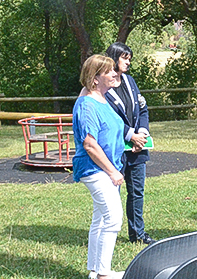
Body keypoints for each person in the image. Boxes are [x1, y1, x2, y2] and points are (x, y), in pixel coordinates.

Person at [72, 54, 126, 279]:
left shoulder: (103, 99)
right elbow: (90, 144)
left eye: (115, 69)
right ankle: (104, 275)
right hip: (95, 169)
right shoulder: (87, 104)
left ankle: (95, 271)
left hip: (105, 168)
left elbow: (114, 129)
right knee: (113, 218)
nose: (115, 74)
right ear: (95, 78)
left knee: (101, 219)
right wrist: (113, 171)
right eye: (109, 71)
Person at [104, 42, 155, 245]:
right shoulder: (104, 84)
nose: (128, 62)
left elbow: (142, 109)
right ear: (114, 58)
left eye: (129, 59)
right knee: (112, 193)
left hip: (137, 148)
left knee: (137, 192)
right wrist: (130, 136)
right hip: (116, 149)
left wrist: (141, 134)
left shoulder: (130, 81)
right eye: (124, 58)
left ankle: (138, 235)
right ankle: (110, 234)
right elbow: (108, 117)